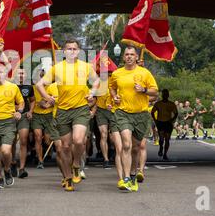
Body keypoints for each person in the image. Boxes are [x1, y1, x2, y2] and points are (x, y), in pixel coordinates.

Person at [36, 39, 100, 191]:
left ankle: (76, 163)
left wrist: (92, 93)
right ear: (63, 52)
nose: (72, 51)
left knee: (78, 141)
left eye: (75, 49)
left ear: (79, 51)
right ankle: (68, 177)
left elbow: (97, 81)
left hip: (80, 109)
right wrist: (47, 98)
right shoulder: (57, 68)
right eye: (69, 49)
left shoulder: (85, 67)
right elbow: (39, 85)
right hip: (63, 112)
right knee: (64, 147)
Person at [110, 46, 158, 192]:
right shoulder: (117, 73)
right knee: (126, 144)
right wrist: (114, 96)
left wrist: (143, 90)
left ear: (136, 57)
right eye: (127, 54)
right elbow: (111, 87)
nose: (129, 57)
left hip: (141, 114)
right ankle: (125, 178)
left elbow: (155, 92)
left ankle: (132, 175)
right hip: (123, 113)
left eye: (132, 54)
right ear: (123, 57)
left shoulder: (145, 73)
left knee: (136, 148)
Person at [0, 65, 25, 189]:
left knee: (6, 151)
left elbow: (21, 102)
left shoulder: (13, 87)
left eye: (1, 71)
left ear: (6, 73)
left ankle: (7, 169)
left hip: (8, 122)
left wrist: (19, 111)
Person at [13, 68, 35, 178]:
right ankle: (12, 163)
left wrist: (30, 111)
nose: (21, 75)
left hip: (24, 116)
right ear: (14, 74)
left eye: (23, 73)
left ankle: (22, 168)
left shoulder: (28, 86)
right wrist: (15, 107)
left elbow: (32, 100)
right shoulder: (9, 85)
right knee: (11, 142)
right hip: (10, 116)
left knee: (23, 141)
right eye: (19, 73)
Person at [151, 89, 178, 161]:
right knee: (161, 139)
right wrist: (155, 120)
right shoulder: (158, 104)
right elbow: (152, 112)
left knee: (167, 139)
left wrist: (172, 120)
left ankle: (165, 154)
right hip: (160, 122)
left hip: (168, 123)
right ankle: (160, 148)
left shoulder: (171, 104)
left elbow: (176, 113)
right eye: (164, 94)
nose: (165, 95)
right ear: (162, 95)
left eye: (166, 94)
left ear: (168, 95)